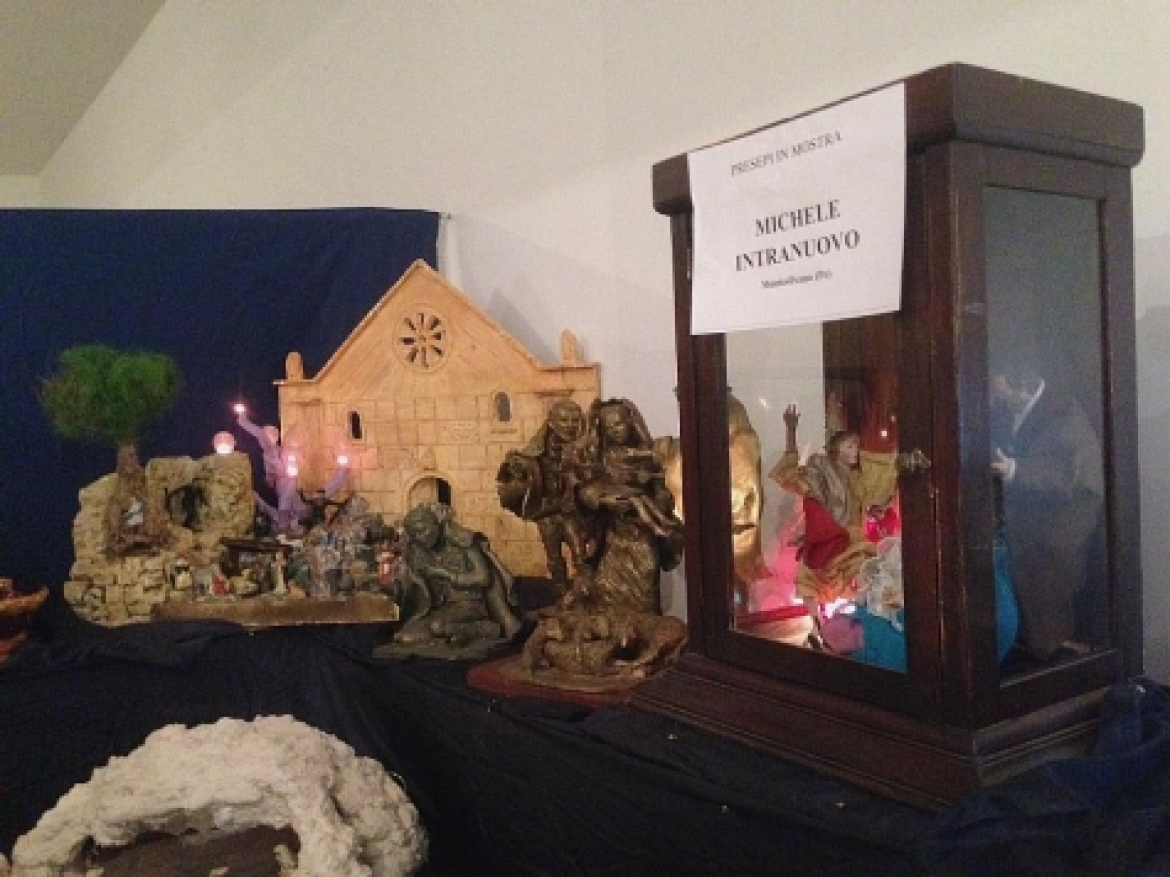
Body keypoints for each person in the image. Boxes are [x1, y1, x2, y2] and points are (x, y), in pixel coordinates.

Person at [990, 364, 1104, 661]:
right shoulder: (1009, 408)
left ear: (1023, 384)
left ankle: (1053, 649)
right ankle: (1030, 641)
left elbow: (1068, 474)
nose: (1000, 399)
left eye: (1004, 392)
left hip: (1067, 513)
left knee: (1047, 575)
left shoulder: (1063, 413)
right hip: (1032, 507)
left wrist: (1014, 471)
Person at [769, 404, 898, 611]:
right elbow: (791, 476)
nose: (855, 451)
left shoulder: (858, 478)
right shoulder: (821, 474)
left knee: (864, 572)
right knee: (807, 577)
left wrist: (874, 510)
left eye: (856, 446)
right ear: (836, 449)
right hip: (826, 539)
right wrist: (791, 431)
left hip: (854, 541)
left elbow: (866, 501)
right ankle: (817, 624)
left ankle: (862, 617)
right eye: (849, 446)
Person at [569, 398, 685, 613]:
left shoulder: (648, 456)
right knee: (607, 591)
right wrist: (602, 500)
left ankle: (646, 625)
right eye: (609, 427)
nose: (616, 430)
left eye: (620, 423)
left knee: (647, 573)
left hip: (641, 532)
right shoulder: (597, 459)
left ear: (631, 422)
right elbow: (582, 489)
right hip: (612, 536)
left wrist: (654, 502)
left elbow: (662, 492)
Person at [392, 504, 522, 647]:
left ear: (435, 524)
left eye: (423, 530)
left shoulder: (463, 541)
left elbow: (483, 578)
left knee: (437, 626)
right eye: (415, 534)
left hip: (470, 604)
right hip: (443, 607)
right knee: (406, 636)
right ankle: (456, 635)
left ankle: (488, 629)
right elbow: (416, 588)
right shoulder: (418, 551)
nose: (420, 537)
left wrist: (445, 574)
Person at [497, 399, 586, 591]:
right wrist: (516, 468)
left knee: (581, 554)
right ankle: (562, 593)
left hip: (573, 512)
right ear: (551, 422)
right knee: (554, 557)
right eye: (564, 420)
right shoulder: (536, 451)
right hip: (547, 512)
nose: (570, 425)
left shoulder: (585, 449)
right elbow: (516, 475)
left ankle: (585, 593)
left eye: (575, 420)